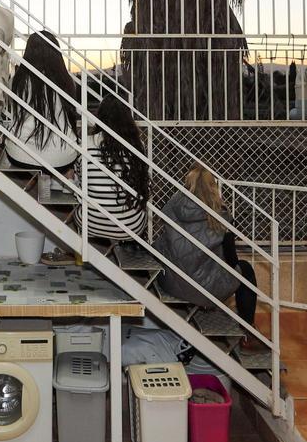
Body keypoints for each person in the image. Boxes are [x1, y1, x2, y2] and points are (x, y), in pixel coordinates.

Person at [157, 166, 262, 350]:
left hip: (170, 283)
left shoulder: (171, 207)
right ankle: (248, 331)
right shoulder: (221, 215)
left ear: (186, 185)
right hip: (202, 288)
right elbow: (231, 262)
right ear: (213, 187)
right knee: (245, 270)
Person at [74, 94, 149, 241]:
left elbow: (79, 175)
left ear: (100, 118)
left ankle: (83, 250)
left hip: (91, 223)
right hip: (131, 227)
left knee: (76, 197)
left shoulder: (86, 144)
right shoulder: (138, 146)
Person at [3, 31, 80, 172]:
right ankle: (58, 180)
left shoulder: (16, 81)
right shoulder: (67, 82)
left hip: (20, 154)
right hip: (62, 156)